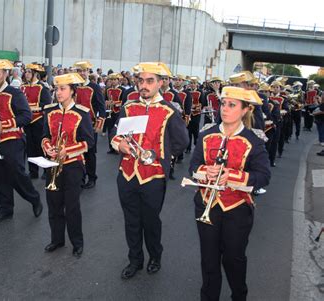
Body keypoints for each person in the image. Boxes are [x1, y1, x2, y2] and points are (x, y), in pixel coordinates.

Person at [189, 86, 271, 301]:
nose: (224, 109)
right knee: (209, 260)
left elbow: (263, 176)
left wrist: (232, 176)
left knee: (233, 259)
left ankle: (239, 296)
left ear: (245, 110)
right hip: (206, 203)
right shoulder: (207, 135)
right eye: (223, 104)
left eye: (231, 105)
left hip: (237, 209)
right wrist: (206, 171)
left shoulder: (254, 139)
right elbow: (193, 166)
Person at [110, 62, 189, 279]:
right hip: (126, 174)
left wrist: (161, 159)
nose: (143, 85)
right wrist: (120, 145)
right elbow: (115, 134)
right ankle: (135, 259)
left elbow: (182, 141)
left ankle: (155, 256)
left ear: (161, 83)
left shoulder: (169, 110)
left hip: (153, 177)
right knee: (131, 220)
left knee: (151, 221)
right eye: (141, 81)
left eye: (149, 81)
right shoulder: (128, 107)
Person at [0, 60, 43, 224]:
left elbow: (26, 116)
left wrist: (5, 124)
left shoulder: (15, 93)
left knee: (17, 175)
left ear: (5, 74)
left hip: (12, 140)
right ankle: (5, 208)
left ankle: (34, 199)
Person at [41, 72, 95, 258]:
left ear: (73, 91)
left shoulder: (82, 113)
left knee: (72, 207)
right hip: (52, 163)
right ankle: (57, 240)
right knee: (53, 204)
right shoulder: (49, 111)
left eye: (63, 89)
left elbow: (89, 142)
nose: (58, 92)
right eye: (57, 89)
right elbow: (44, 135)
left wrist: (67, 151)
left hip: (73, 166)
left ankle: (77, 243)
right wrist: (48, 147)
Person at [73, 60, 106, 189]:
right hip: (75, 125)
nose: (82, 73)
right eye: (79, 70)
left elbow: (101, 108)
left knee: (90, 153)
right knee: (77, 152)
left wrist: (99, 125)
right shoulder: (73, 87)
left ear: (88, 72)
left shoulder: (95, 87)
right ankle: (80, 178)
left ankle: (92, 177)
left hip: (90, 125)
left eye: (84, 70)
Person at [21, 63, 52, 179]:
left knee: (41, 147)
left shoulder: (42, 88)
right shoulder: (22, 87)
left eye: (29, 72)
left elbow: (47, 105)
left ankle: (46, 170)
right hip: (26, 122)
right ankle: (33, 171)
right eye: (26, 71)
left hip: (38, 120)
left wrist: (33, 107)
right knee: (29, 148)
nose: (27, 74)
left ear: (35, 74)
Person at [105, 73, 124, 154]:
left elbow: (123, 101)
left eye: (114, 80)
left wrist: (115, 103)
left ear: (118, 80)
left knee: (117, 130)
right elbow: (105, 99)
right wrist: (107, 102)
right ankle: (111, 147)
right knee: (109, 130)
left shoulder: (122, 89)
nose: (113, 81)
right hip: (109, 112)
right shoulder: (107, 89)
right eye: (111, 80)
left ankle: (117, 147)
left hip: (118, 112)